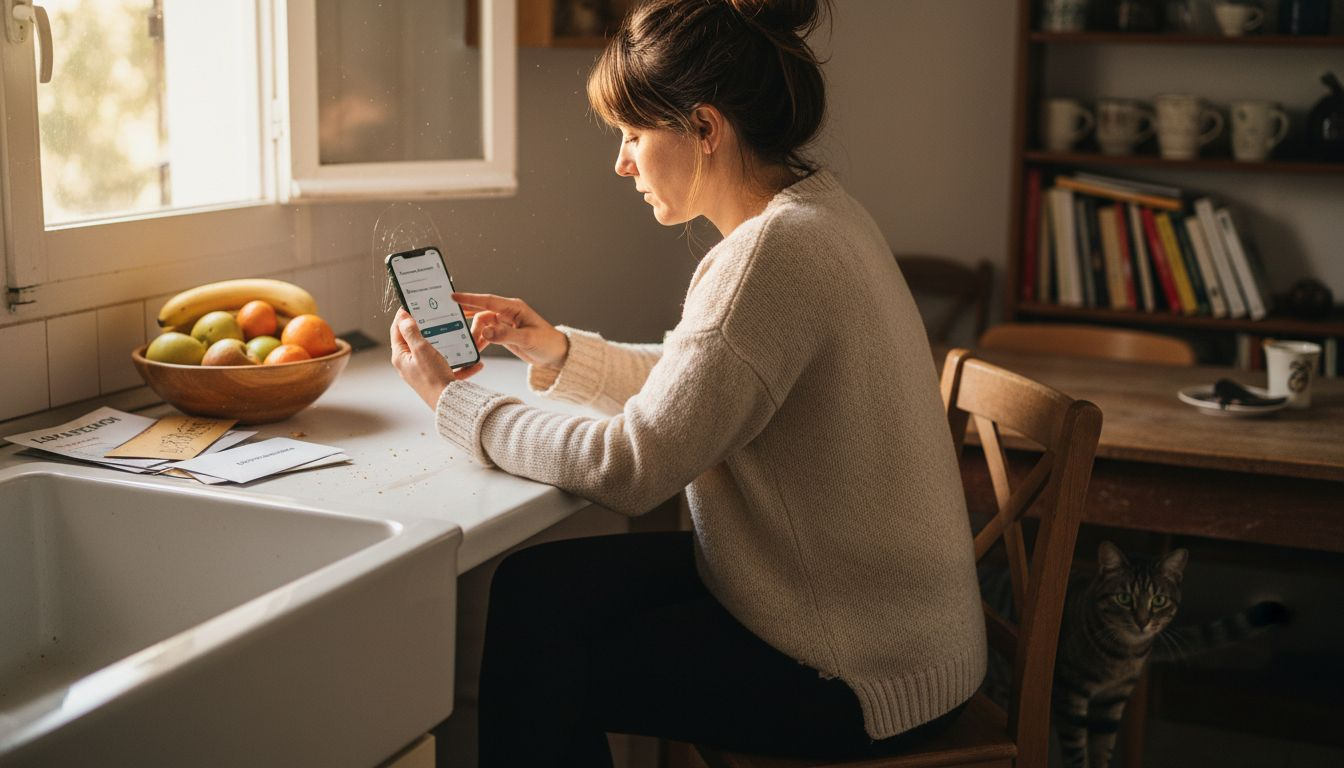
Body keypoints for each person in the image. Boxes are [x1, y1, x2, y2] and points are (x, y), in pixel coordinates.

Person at [388, 0, 986, 765]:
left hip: (858, 670)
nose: (622, 163)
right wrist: (557, 351)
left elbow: (632, 468)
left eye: (634, 134)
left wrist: (454, 401)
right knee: (535, 591)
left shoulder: (769, 258)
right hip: (874, 617)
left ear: (705, 129)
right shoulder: (815, 212)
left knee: (541, 655)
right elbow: (708, 387)